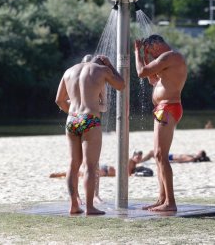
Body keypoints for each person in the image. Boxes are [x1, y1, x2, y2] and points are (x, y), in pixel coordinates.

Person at [55, 55, 125, 215]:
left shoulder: (69, 71)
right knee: (91, 166)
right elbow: (121, 85)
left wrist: (74, 114)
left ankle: (74, 205)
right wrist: (111, 66)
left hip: (72, 119)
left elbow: (59, 100)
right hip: (90, 119)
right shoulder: (102, 70)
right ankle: (89, 207)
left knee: (73, 164)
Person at [134, 34, 187, 212]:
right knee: (157, 156)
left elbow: (141, 72)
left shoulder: (169, 56)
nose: (151, 55)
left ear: (156, 45)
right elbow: (152, 79)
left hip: (168, 107)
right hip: (163, 108)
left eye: (150, 51)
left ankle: (170, 202)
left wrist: (137, 53)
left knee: (161, 155)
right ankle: (162, 198)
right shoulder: (166, 61)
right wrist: (146, 56)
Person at [140, 149, 211, 163]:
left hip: (169, 157)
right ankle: (141, 160)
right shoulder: (193, 156)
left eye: (199, 152)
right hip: (169, 156)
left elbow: (181, 161)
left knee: (151, 152)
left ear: (200, 155)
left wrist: (169, 161)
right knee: (152, 153)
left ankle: (140, 161)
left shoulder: (192, 158)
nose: (198, 151)